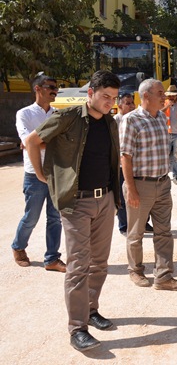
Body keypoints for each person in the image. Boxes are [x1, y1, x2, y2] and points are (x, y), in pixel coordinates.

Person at [24, 70, 121, 352]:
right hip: (76, 203)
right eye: (105, 97)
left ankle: (91, 310)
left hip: (105, 200)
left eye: (113, 98)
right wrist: (44, 177)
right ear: (90, 93)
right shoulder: (68, 118)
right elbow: (32, 142)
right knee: (79, 265)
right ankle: (77, 328)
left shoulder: (111, 123)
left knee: (100, 263)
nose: (109, 103)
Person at [120, 79, 177, 292]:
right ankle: (136, 270)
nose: (164, 97)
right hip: (140, 186)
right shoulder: (131, 120)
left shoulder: (160, 118)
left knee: (164, 233)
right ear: (146, 96)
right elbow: (125, 156)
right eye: (160, 93)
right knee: (136, 233)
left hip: (162, 184)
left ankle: (163, 276)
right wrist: (130, 188)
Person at [11, 73, 65, 272]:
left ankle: (52, 258)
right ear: (37, 88)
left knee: (55, 217)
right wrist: (41, 144)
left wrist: (37, 145)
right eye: (51, 86)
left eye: (56, 86)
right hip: (34, 175)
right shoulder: (24, 114)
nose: (55, 90)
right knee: (31, 217)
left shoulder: (57, 115)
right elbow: (27, 142)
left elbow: (61, 144)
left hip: (54, 174)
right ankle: (18, 247)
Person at [114, 92, 136, 236]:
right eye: (128, 103)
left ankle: (142, 223)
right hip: (120, 167)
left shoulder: (135, 119)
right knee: (122, 198)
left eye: (132, 102)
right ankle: (124, 226)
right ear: (119, 105)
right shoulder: (114, 121)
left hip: (136, 166)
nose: (132, 105)